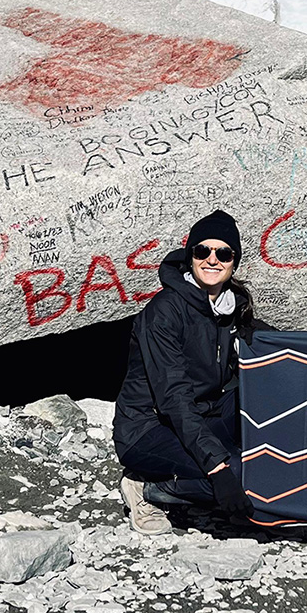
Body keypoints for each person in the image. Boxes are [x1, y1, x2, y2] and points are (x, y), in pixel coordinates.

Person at [114, 210, 264, 535]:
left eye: (223, 253)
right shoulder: (164, 313)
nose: (212, 260)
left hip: (202, 415)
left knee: (263, 416)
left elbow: (275, 348)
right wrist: (218, 467)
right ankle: (150, 487)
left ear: (234, 261)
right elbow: (174, 399)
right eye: (202, 251)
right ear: (190, 256)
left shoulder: (229, 307)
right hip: (147, 429)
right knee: (240, 475)